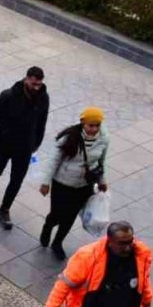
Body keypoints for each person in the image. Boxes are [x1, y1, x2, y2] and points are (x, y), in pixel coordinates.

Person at [44, 221, 153, 307]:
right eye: (122, 243)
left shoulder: (140, 254)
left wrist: (147, 300)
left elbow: (144, 279)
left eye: (130, 242)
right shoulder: (88, 255)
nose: (127, 247)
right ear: (110, 241)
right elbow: (65, 283)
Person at [39, 107, 109, 261]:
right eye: (91, 125)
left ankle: (57, 242)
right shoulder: (69, 137)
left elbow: (102, 162)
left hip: (84, 185)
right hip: (62, 183)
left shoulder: (104, 139)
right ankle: (48, 226)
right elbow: (54, 160)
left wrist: (102, 181)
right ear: (83, 123)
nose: (94, 129)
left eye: (97, 125)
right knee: (57, 213)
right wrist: (45, 182)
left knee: (70, 216)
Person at [0, 67, 50, 230]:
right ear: (26, 79)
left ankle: (4, 209)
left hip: (24, 147)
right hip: (3, 143)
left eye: (39, 84)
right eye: (33, 83)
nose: (36, 87)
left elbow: (42, 122)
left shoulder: (43, 98)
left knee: (17, 180)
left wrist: (36, 143)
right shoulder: (8, 95)